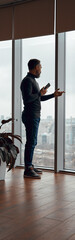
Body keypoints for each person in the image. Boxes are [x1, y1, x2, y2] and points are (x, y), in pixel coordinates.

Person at [20, 59, 64, 179]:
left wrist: (52, 95)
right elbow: (27, 99)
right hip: (30, 115)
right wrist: (39, 93)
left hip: (34, 115)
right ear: (35, 67)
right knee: (31, 142)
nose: (41, 69)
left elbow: (37, 98)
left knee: (33, 142)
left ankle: (30, 166)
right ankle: (28, 169)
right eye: (40, 67)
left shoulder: (32, 80)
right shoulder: (27, 81)